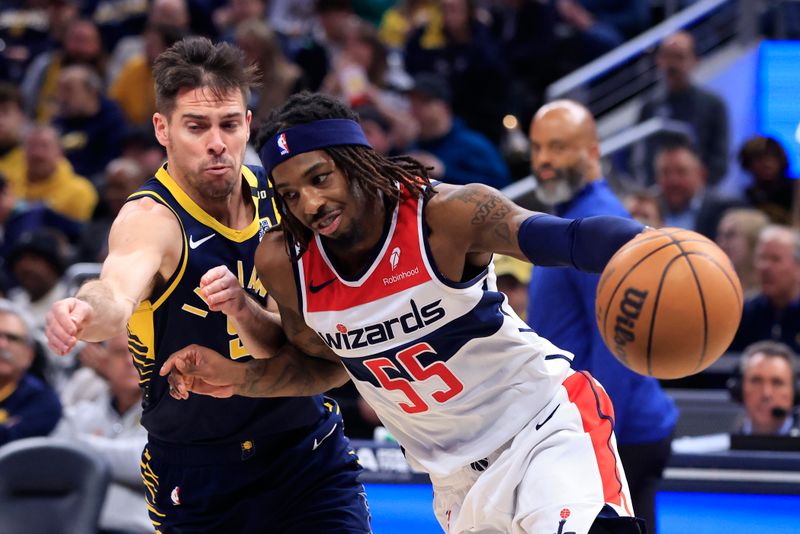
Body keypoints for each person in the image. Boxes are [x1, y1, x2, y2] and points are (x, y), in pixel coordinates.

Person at [163, 92, 647, 534]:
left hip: (542, 432)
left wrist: (653, 244)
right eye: (289, 194)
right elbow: (322, 365)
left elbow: (565, 238)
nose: (310, 203)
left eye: (320, 178)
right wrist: (238, 377)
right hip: (455, 483)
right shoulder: (285, 262)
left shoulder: (445, 215)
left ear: (356, 161)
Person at [44, 38, 370, 533]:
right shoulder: (151, 219)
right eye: (196, 127)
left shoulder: (283, 196)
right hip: (200, 472)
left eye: (229, 124)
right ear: (163, 129)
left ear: (247, 124)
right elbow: (115, 289)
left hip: (306, 449)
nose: (217, 142)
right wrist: (84, 313)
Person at [525, 100, 678, 534]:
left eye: (558, 147)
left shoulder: (599, 225)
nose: (544, 161)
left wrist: (594, 439)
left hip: (614, 430)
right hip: (602, 422)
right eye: (537, 149)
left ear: (592, 152)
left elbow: (620, 344)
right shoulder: (569, 217)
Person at [52, 333, 152, 533]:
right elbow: (54, 459)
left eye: (139, 352)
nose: (129, 361)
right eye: (120, 352)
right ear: (103, 360)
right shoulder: (81, 413)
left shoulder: (171, 416)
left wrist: (79, 447)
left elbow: (146, 461)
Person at [636, 31, 730, 186]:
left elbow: (720, 161)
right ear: (659, 61)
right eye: (667, 57)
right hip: (657, 195)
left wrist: (695, 186)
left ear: (695, 61)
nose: (672, 64)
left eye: (679, 57)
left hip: (700, 195)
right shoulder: (649, 105)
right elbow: (640, 157)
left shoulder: (714, 105)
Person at [729, 225, 800, 355]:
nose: (765, 267)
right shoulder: (743, 314)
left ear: (798, 267)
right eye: (762, 258)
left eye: (775, 259)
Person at [0, 299, 62, 447]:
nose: (2, 344)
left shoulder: (43, 400)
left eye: (12, 338)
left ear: (29, 355)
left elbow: (12, 445)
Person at [730, 340, 800, 436]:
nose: (766, 394)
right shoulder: (717, 444)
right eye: (756, 381)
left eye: (777, 383)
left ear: (795, 391)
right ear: (739, 389)